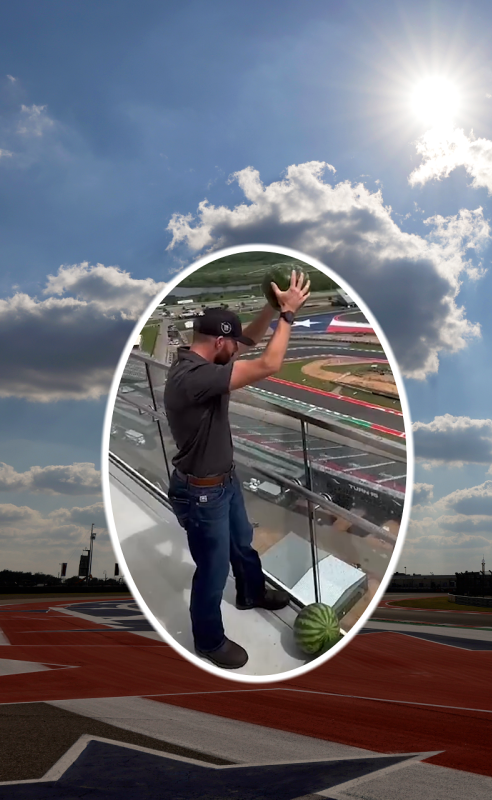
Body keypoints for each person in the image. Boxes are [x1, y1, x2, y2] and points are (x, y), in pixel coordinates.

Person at [163, 270, 311, 670]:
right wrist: (289, 316)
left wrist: (271, 306)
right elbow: (270, 362)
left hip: (222, 481)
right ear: (219, 343)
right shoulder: (195, 380)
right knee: (211, 571)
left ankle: (251, 592)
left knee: (242, 542)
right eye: (234, 344)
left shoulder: (200, 363)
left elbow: (250, 342)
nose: (238, 348)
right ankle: (208, 641)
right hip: (203, 492)